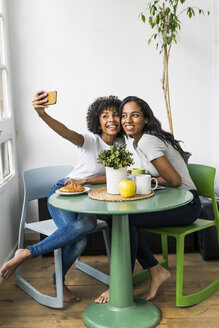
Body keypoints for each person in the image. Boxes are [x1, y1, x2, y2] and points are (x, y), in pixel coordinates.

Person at [0, 91, 122, 303]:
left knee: (80, 240)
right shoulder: (90, 141)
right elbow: (65, 132)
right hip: (64, 193)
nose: (111, 119)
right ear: (98, 121)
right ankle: (40, 264)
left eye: (115, 114)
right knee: (84, 228)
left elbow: (119, 175)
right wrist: (42, 114)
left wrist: (86, 181)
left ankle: (36, 262)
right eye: (105, 116)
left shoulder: (122, 146)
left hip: (88, 196)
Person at [95, 95, 201, 304]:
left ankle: (121, 282)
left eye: (134, 115)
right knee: (120, 218)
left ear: (145, 119)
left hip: (187, 205)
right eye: (124, 115)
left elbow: (174, 180)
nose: (127, 120)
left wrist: (145, 179)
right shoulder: (139, 142)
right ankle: (154, 270)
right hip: (175, 200)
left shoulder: (148, 141)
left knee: (127, 219)